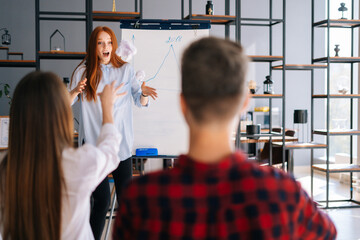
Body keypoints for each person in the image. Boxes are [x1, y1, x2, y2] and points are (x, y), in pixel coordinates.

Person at [113, 37, 337, 240]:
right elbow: (328, 233)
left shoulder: (140, 200)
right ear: (245, 103)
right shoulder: (283, 193)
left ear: (183, 103)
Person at [0, 71, 124, 240]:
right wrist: (107, 108)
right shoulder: (78, 163)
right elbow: (110, 150)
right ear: (61, 115)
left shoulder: (4, 167)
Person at [69, 26, 157, 239]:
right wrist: (74, 92)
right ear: (94, 47)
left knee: (126, 203)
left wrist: (144, 93)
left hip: (121, 147)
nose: (105, 47)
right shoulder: (82, 72)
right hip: (93, 148)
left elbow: (139, 101)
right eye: (100, 43)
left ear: (114, 45)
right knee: (101, 202)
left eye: (109, 42)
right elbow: (65, 105)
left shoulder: (126, 70)